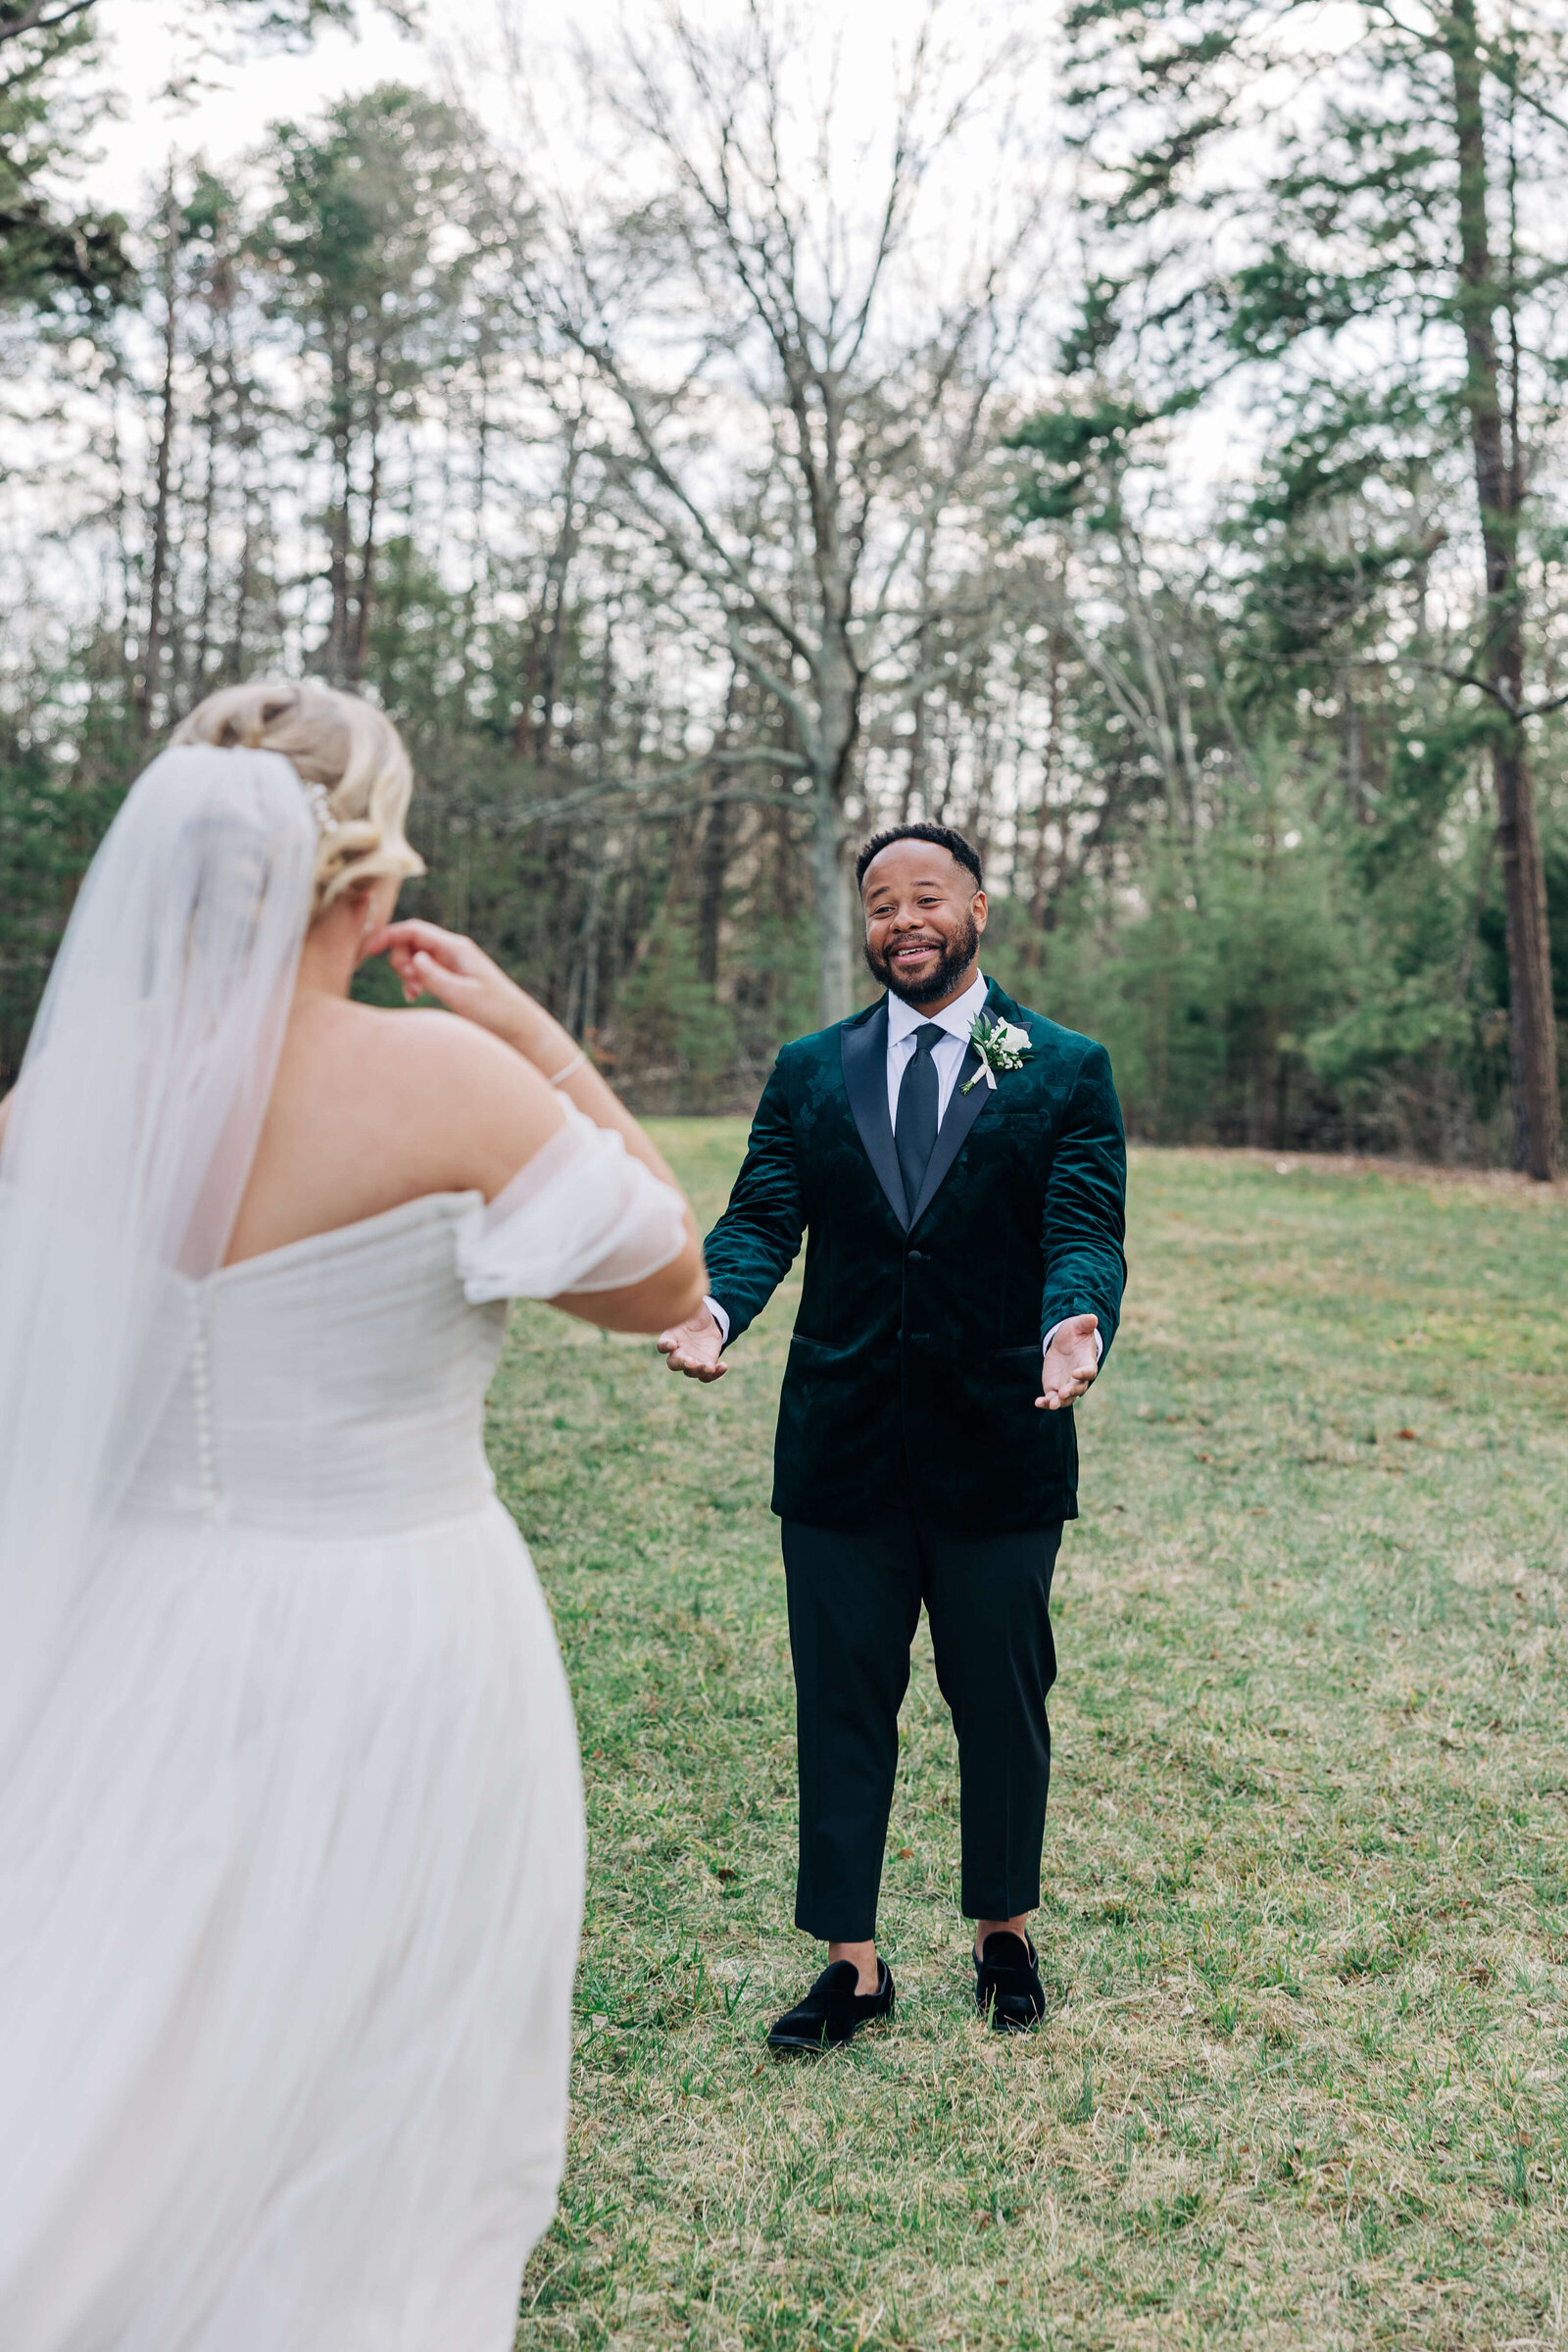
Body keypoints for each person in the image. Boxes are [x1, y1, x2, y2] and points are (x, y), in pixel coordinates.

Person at [0, 681, 706, 2350]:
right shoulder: (448, 1085)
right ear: (369, 884)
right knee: (379, 2080)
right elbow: (665, 1273)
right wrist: (536, 1037)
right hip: (398, 1640)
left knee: (117, 2023)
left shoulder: (49, 1114)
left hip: (126, 1632)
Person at [659, 822, 1126, 2050]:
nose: (903, 920)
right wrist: (715, 1306)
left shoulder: (1063, 1068)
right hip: (842, 1447)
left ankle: (1002, 1932)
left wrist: (1074, 1321)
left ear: (978, 907)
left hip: (999, 1443)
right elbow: (762, 1214)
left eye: (928, 897)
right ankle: (852, 1964)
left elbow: (1084, 1226)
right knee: (842, 1703)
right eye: (881, 903)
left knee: (1001, 1700)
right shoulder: (812, 1069)